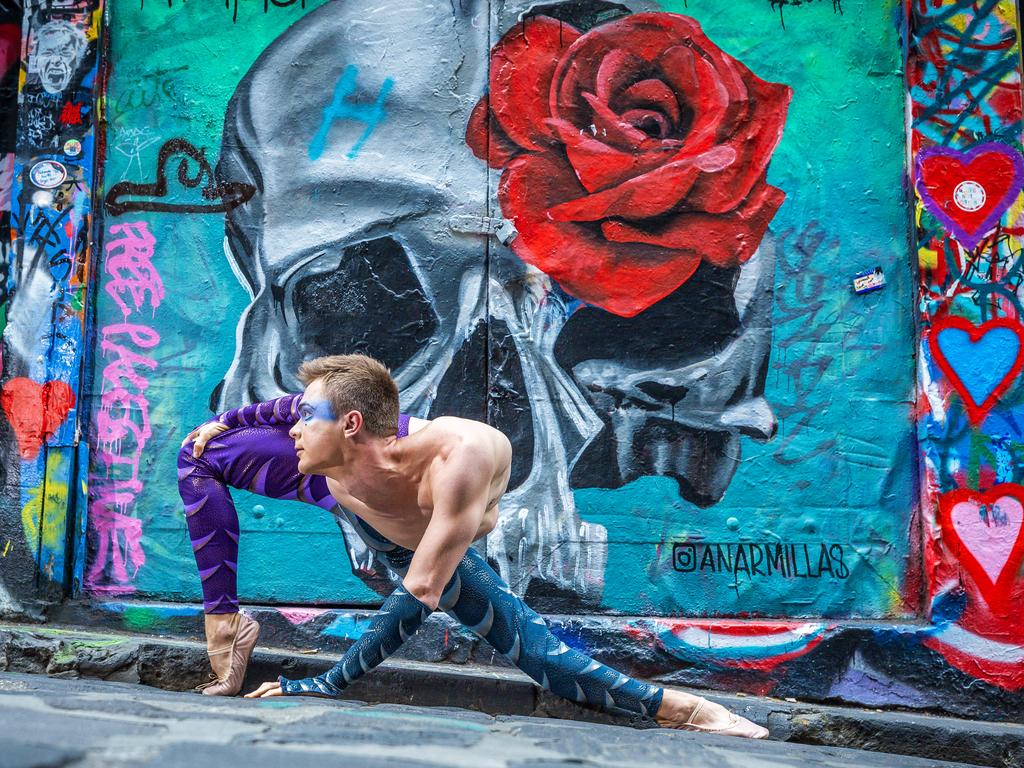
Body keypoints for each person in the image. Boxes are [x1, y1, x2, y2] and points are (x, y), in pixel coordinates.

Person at [178, 354, 768, 738]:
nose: (292, 429)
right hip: (342, 484)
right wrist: (230, 419)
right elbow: (296, 409)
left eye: (306, 420)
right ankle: (226, 628)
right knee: (198, 453)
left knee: (545, 660)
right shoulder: (319, 448)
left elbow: (423, 590)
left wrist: (323, 683)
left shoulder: (460, 457)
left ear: (352, 425)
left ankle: (689, 709)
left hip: (412, 548)